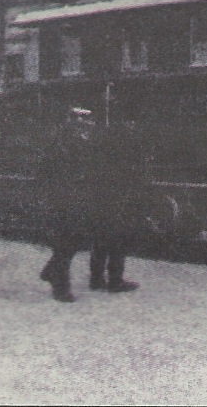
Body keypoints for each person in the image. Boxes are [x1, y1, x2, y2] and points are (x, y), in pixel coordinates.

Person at [39, 107, 99, 303]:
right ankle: (60, 288)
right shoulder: (60, 144)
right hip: (63, 199)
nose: (86, 124)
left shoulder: (75, 141)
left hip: (73, 198)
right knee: (66, 243)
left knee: (72, 242)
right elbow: (48, 173)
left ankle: (50, 270)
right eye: (81, 120)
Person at [88, 120, 147, 293]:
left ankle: (96, 279)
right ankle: (115, 281)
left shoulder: (101, 148)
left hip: (102, 198)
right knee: (118, 240)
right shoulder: (127, 152)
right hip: (118, 199)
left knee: (100, 240)